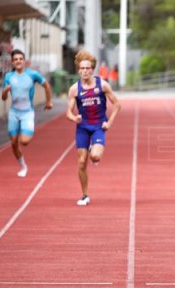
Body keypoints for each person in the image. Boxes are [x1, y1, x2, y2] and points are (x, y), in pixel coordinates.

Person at [66, 51, 121, 206]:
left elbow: (117, 104)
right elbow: (68, 112)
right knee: (81, 162)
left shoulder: (102, 85)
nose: (85, 71)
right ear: (78, 70)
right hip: (82, 127)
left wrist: (109, 123)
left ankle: (93, 151)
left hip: (98, 126)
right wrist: (73, 117)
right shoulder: (74, 89)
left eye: (88, 68)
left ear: (92, 70)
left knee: (95, 157)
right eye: (82, 68)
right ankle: (85, 195)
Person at [2, 49, 53, 177]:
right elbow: (3, 98)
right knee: (13, 143)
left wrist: (48, 102)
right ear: (12, 62)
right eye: (16, 60)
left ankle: (24, 129)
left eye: (20, 59)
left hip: (27, 113)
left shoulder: (32, 74)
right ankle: (23, 166)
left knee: (24, 141)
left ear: (24, 61)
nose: (18, 61)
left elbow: (46, 85)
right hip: (14, 113)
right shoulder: (9, 76)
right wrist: (5, 91)